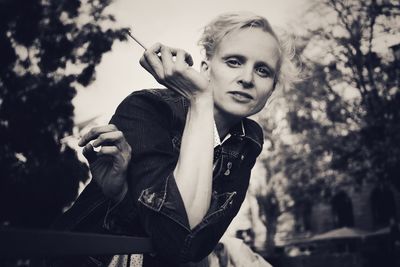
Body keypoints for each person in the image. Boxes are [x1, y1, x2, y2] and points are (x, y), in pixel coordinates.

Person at [52, 11, 299, 267]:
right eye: (234, 61)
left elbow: (196, 245)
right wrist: (199, 99)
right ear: (205, 69)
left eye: (262, 70)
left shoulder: (248, 141)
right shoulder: (146, 107)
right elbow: (176, 239)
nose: (247, 79)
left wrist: (124, 196)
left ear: (271, 90)